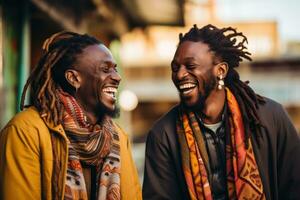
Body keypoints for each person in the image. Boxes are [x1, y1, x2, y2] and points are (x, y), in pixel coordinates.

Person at [143, 24, 300, 200]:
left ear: (221, 71)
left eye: (190, 66)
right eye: (175, 67)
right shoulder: (163, 134)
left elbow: (294, 188)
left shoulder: (271, 118)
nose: (179, 75)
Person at [0, 31, 142, 200]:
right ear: (73, 78)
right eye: (105, 69)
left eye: (115, 69)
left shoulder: (118, 137)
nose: (117, 77)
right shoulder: (24, 131)